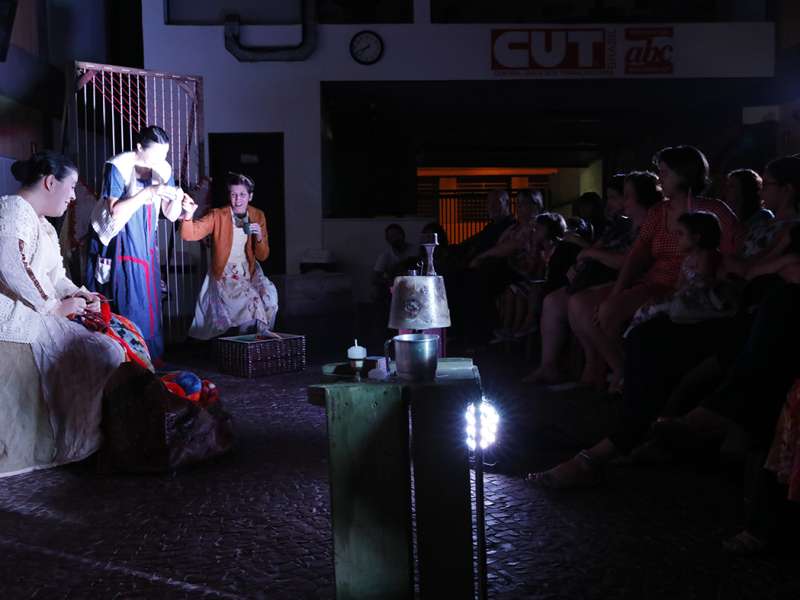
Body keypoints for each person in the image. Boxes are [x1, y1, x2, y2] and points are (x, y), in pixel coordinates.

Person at [569, 146, 740, 391]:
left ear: (684, 174)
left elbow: (731, 253)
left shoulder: (714, 211)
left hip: (685, 287)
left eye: (665, 172)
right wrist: (618, 289)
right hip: (653, 282)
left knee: (608, 312)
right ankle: (622, 371)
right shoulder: (659, 212)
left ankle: (633, 379)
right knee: (580, 303)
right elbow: (637, 254)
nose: (660, 178)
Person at [0, 151, 128, 476]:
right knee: (98, 349)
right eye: (70, 188)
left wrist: (78, 294)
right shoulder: (13, 209)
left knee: (110, 343)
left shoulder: (42, 224)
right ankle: (76, 439)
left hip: (38, 307)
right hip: (15, 312)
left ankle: (86, 437)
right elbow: (11, 264)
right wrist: (53, 307)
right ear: (49, 182)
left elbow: (55, 275)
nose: (73, 197)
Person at [524, 171, 661, 384]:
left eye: (623, 196)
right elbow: (595, 249)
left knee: (580, 303)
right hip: (598, 277)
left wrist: (588, 253)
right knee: (553, 301)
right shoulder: (620, 226)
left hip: (623, 280)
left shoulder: (649, 226)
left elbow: (628, 262)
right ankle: (549, 366)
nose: (618, 202)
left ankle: (603, 369)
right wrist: (582, 260)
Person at [86, 126, 188, 360]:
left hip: (144, 236)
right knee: (127, 294)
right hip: (119, 235)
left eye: (164, 155)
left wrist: (178, 199)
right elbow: (114, 212)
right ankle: (126, 358)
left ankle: (149, 356)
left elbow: (170, 214)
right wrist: (149, 192)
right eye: (155, 155)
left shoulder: (162, 168)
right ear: (139, 148)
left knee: (148, 296)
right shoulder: (118, 165)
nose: (160, 161)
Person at [180, 172, 278, 339]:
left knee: (270, 297)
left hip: (249, 270)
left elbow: (263, 256)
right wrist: (188, 215)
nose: (237, 199)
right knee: (249, 302)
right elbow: (190, 234)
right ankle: (245, 346)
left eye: (242, 195)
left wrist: (260, 237)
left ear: (250, 196)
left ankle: (258, 344)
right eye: (233, 195)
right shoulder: (218, 215)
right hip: (226, 271)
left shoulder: (257, 215)